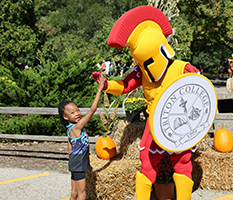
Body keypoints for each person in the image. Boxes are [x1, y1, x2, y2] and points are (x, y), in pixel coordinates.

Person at [91, 6, 202, 200]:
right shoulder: (142, 72)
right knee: (147, 163)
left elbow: (200, 94)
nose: (144, 66)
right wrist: (107, 84)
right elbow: (125, 85)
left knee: (183, 162)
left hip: (181, 123)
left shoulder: (183, 68)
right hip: (154, 123)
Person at [57, 76, 105, 200]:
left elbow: (69, 145)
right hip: (78, 163)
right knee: (82, 194)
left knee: (74, 193)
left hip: (75, 161)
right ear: (65, 117)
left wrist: (71, 158)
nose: (77, 113)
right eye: (72, 112)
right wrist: (99, 90)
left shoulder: (70, 128)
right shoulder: (76, 128)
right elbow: (92, 110)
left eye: (77, 110)